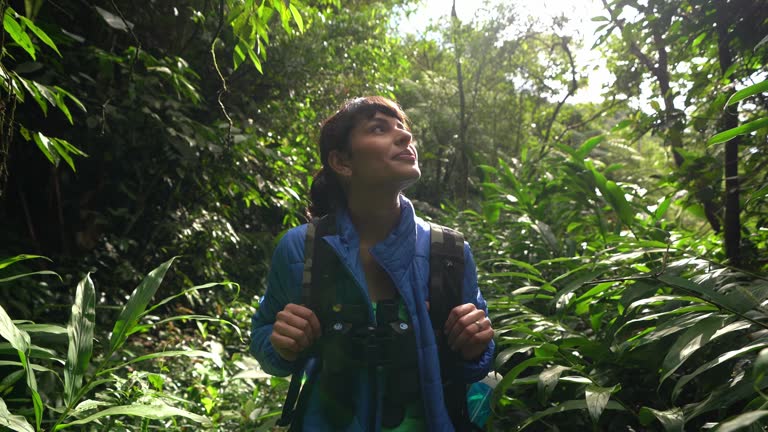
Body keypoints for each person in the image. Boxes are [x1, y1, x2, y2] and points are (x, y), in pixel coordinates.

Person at [250, 96, 495, 431]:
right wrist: (282, 344)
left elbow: (476, 361)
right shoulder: (302, 248)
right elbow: (264, 335)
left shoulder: (449, 251)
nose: (406, 137)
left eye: (403, 129)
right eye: (379, 128)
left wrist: (475, 343)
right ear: (342, 161)